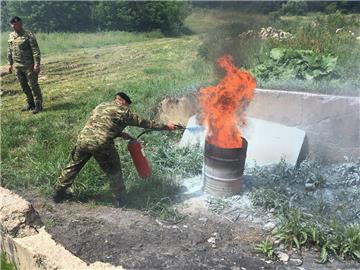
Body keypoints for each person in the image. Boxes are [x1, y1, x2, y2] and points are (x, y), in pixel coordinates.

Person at [53, 92, 177, 207]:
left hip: (83, 139)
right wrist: (167, 126)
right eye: (127, 105)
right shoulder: (123, 111)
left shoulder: (101, 106)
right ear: (122, 101)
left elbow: (100, 125)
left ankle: (58, 193)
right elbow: (145, 123)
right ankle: (120, 200)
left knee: (74, 166)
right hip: (101, 144)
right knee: (114, 171)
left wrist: (119, 134)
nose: (127, 108)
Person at [7, 16, 43, 113]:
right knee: (23, 86)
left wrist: (37, 64)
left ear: (21, 24)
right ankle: (30, 104)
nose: (14, 26)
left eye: (16, 24)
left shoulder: (28, 35)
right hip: (17, 66)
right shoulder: (11, 35)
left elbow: (35, 50)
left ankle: (38, 105)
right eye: (12, 24)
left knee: (33, 85)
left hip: (29, 66)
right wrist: (10, 64)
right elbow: (10, 51)